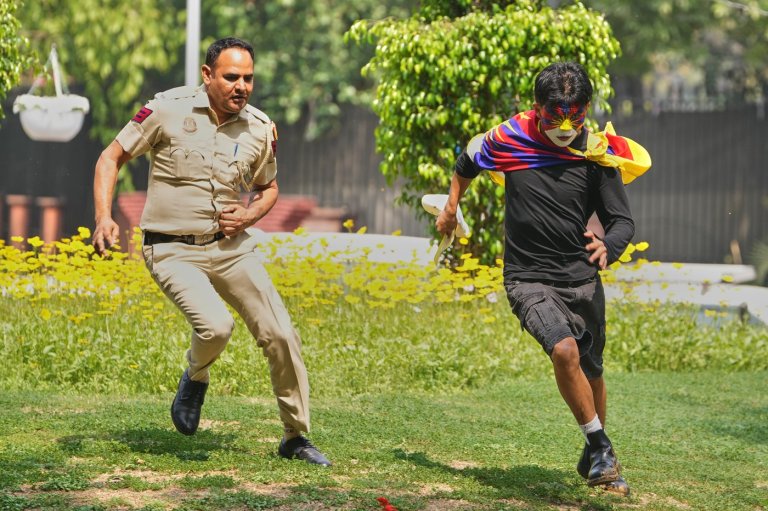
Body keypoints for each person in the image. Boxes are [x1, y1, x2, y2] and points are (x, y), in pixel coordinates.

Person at [92, 37, 331, 466]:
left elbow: (268, 188)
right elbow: (110, 158)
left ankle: (295, 436)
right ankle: (195, 376)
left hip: (232, 249)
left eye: (249, 78)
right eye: (231, 77)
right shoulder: (166, 109)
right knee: (216, 327)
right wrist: (103, 217)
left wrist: (248, 216)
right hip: (171, 250)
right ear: (208, 76)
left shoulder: (259, 127)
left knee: (281, 334)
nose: (242, 86)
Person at [436, 62, 651, 496]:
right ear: (537, 107)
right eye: (556, 115)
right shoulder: (509, 139)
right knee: (564, 349)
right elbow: (466, 162)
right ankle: (602, 445)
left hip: (582, 279)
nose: (567, 125)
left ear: (587, 108)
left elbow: (622, 221)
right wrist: (450, 204)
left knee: (592, 369)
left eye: (577, 114)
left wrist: (609, 245)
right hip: (527, 278)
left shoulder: (595, 154)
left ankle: (596, 455)